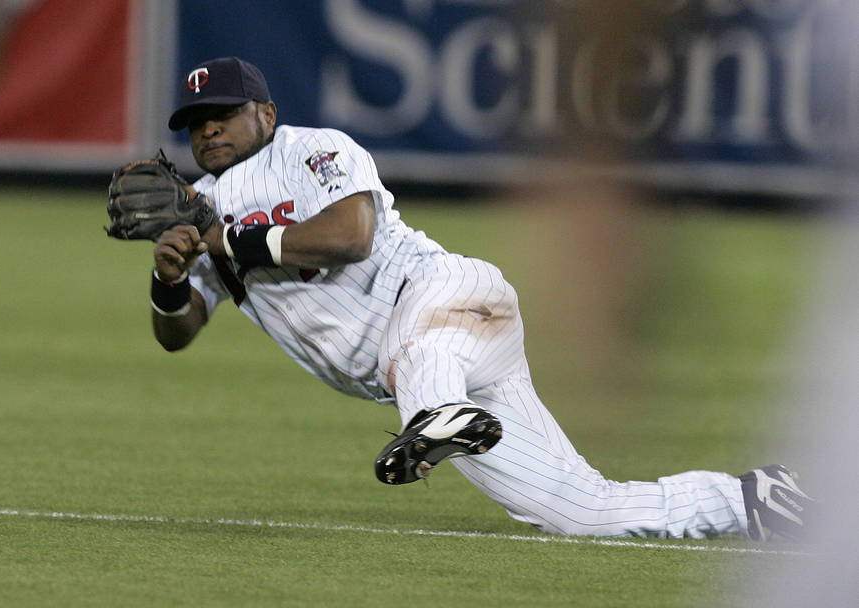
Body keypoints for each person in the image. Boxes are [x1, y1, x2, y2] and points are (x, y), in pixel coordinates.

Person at [140, 56, 813, 540]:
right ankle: (759, 500)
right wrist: (168, 278)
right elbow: (178, 331)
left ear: (265, 112)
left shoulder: (309, 150)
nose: (208, 132)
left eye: (223, 114)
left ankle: (439, 415)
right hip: (438, 366)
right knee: (580, 510)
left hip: (445, 296)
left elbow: (352, 234)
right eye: (196, 122)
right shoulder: (201, 212)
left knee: (414, 353)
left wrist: (225, 241)